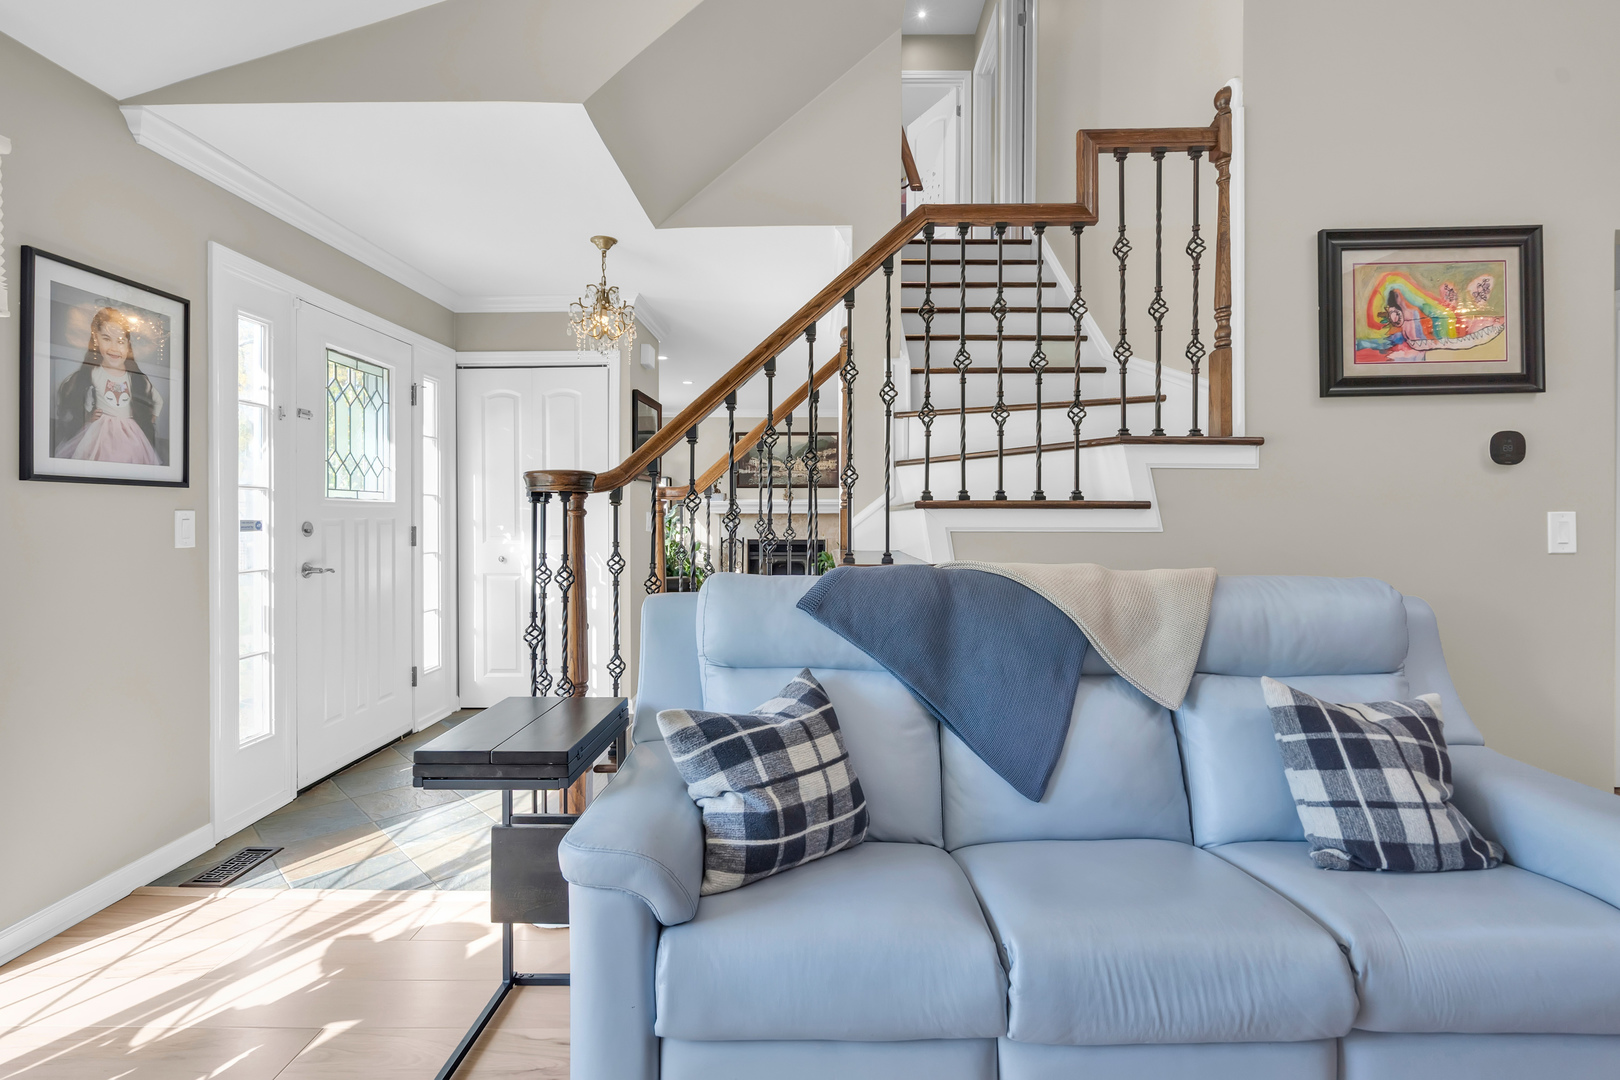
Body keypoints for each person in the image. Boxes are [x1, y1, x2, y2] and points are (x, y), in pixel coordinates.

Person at [52, 306, 163, 465]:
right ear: (96, 339)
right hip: (100, 430)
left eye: (120, 341)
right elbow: (83, 397)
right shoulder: (94, 373)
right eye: (106, 338)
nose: (114, 348)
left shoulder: (135, 378)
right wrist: (88, 415)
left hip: (130, 431)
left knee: (128, 457)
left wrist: (152, 416)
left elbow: (157, 399)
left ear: (127, 345)